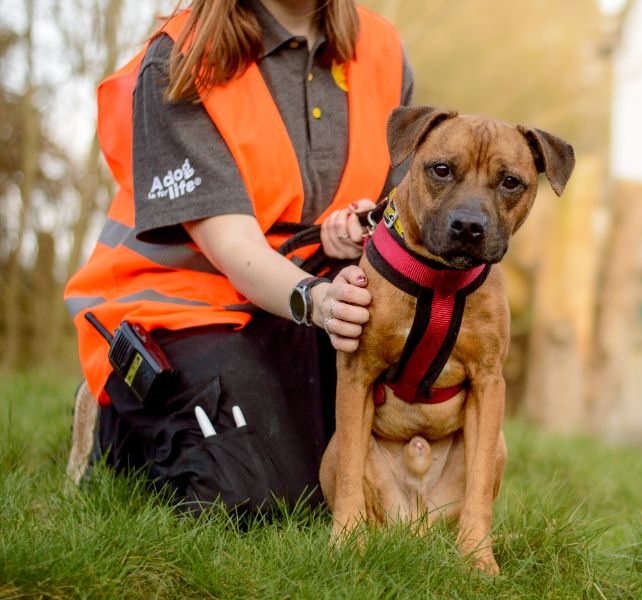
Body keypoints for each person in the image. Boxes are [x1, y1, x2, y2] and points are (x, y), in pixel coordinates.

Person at [64, 0, 413, 513]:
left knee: (348, 488)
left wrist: (360, 228)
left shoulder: (384, 48)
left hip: (313, 300)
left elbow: (396, 203)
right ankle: (118, 419)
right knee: (252, 500)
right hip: (185, 310)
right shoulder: (179, 57)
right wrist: (318, 302)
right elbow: (233, 247)